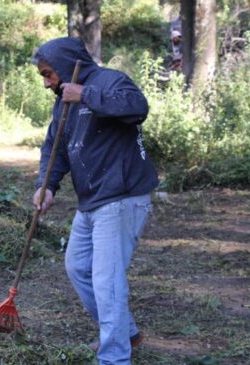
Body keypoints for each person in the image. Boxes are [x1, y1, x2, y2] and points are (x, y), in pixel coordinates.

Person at [30, 37, 158, 364]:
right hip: (91, 199)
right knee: (77, 268)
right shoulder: (63, 101)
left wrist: (85, 94)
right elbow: (55, 148)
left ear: (65, 66)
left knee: (106, 281)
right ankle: (125, 332)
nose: (47, 83)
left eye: (49, 74)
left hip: (122, 196)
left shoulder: (109, 81)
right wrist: (48, 186)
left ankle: (114, 357)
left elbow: (137, 108)